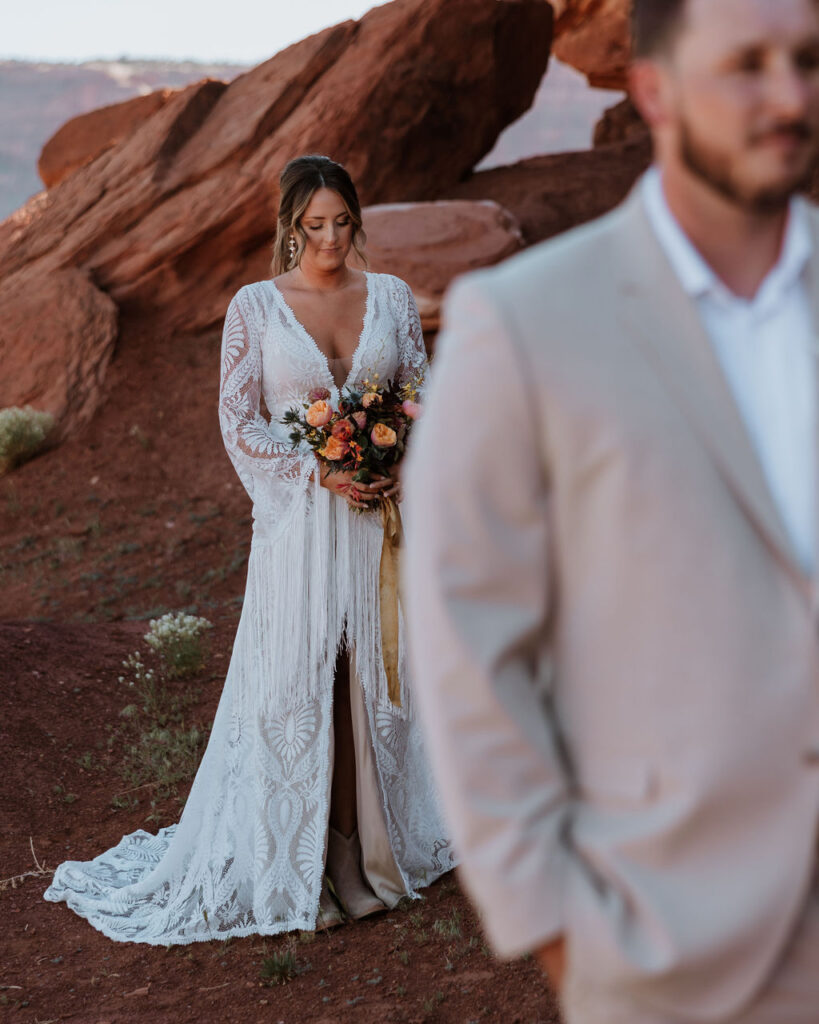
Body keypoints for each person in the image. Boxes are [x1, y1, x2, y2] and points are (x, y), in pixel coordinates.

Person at [404, 0, 819, 1020]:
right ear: (653, 89)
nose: (789, 95)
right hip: (675, 948)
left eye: (808, 61)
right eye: (749, 64)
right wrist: (558, 931)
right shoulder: (526, 324)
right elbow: (470, 648)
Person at [45, 154, 453, 944]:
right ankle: (293, 868)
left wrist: (396, 458)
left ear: (355, 221)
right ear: (289, 227)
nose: (330, 239)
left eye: (341, 223)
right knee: (294, 684)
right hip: (300, 527)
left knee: (368, 678)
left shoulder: (393, 299)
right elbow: (240, 424)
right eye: (314, 226)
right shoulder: (255, 307)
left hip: (374, 523)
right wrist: (316, 471)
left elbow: (420, 394)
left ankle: (365, 856)